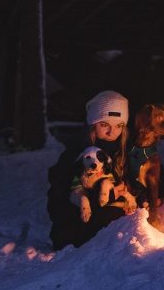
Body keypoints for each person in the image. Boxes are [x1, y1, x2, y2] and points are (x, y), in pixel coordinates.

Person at [47, 90, 139, 250]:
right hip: (77, 230)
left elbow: (135, 183)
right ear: (92, 124)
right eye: (104, 125)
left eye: (119, 126)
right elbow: (57, 200)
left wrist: (130, 190)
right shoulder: (76, 153)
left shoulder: (125, 151)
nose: (112, 132)